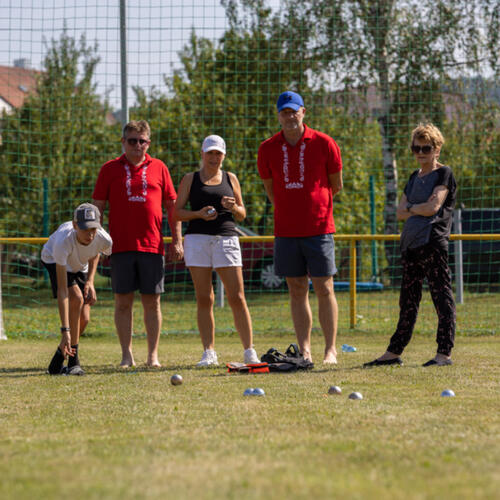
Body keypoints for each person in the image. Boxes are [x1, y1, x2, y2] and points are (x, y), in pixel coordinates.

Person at [257, 91, 343, 364]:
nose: (290, 116)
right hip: (286, 230)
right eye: (284, 112)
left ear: (303, 112)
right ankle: (305, 349)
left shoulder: (325, 143)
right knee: (296, 287)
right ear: (278, 115)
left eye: (294, 111)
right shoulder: (267, 148)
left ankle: (330, 349)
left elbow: (336, 185)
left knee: (324, 287)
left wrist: (314, 206)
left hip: (319, 227)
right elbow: (270, 189)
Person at [364, 123, 457, 367]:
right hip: (410, 245)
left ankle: (443, 354)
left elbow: (433, 207)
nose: (420, 153)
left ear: (437, 149)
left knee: (441, 298)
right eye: (416, 148)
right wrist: (417, 208)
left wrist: (413, 208)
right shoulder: (414, 177)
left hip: (433, 244)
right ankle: (394, 353)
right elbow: (399, 212)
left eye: (426, 148)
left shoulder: (443, 174)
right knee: (407, 301)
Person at [92, 120, 183, 368]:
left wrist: (177, 240)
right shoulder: (109, 169)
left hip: (152, 246)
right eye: (132, 140)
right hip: (119, 247)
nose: (137, 145)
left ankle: (153, 356)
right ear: (123, 142)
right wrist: (97, 241)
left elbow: (172, 207)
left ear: (148, 143)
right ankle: (126, 355)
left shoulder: (160, 168)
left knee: (152, 302)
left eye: (142, 141)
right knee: (123, 302)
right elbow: (98, 207)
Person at [174, 135, 260, 367]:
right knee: (205, 298)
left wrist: (234, 207)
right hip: (197, 240)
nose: (214, 157)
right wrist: (198, 214)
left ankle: (249, 351)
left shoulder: (231, 178)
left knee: (237, 297)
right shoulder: (190, 179)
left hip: (226, 239)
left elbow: (242, 214)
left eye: (218, 153)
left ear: (223, 155)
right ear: (202, 154)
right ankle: (209, 352)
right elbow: (177, 212)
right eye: (210, 153)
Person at [41, 203, 112, 375]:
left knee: (84, 318)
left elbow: (96, 252)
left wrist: (91, 281)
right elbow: (63, 292)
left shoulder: (104, 239)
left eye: (93, 229)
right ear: (74, 225)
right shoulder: (62, 242)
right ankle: (74, 363)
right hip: (55, 260)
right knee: (77, 298)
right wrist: (65, 330)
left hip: (80, 266)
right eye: (85, 229)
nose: (90, 234)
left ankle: (58, 359)